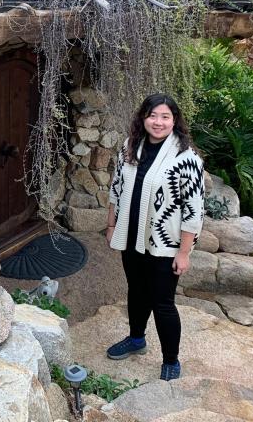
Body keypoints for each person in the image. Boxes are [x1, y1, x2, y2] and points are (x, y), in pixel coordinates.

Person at [104, 93, 205, 381]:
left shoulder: (187, 159)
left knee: (162, 302)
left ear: (175, 121)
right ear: (143, 118)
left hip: (164, 244)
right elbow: (116, 189)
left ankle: (171, 360)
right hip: (131, 237)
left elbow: (193, 211)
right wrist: (111, 226)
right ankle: (136, 339)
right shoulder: (129, 147)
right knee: (136, 290)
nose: (157, 122)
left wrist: (184, 252)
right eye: (152, 115)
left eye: (165, 116)